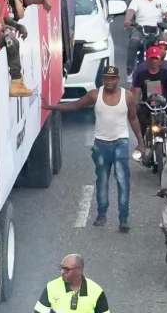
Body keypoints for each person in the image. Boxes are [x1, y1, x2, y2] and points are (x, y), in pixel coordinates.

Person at [44, 67, 144, 230]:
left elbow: (133, 118)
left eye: (112, 78)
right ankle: (102, 214)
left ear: (118, 79)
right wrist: (51, 107)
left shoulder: (127, 96)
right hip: (101, 144)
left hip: (121, 143)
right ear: (103, 79)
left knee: (122, 181)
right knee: (102, 180)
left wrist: (140, 141)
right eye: (106, 78)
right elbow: (76, 105)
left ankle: (123, 219)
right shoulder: (95, 95)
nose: (109, 82)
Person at [33, 254, 110, 313]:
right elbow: (39, 311)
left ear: (79, 270)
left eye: (67, 269)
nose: (62, 272)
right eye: (61, 268)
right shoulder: (52, 287)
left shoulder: (96, 291)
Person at [124, 0, 167, 70]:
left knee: (165, 44)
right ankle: (129, 69)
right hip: (140, 28)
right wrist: (127, 20)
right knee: (134, 41)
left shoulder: (162, 0)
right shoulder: (137, 0)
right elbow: (130, 11)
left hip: (158, 28)